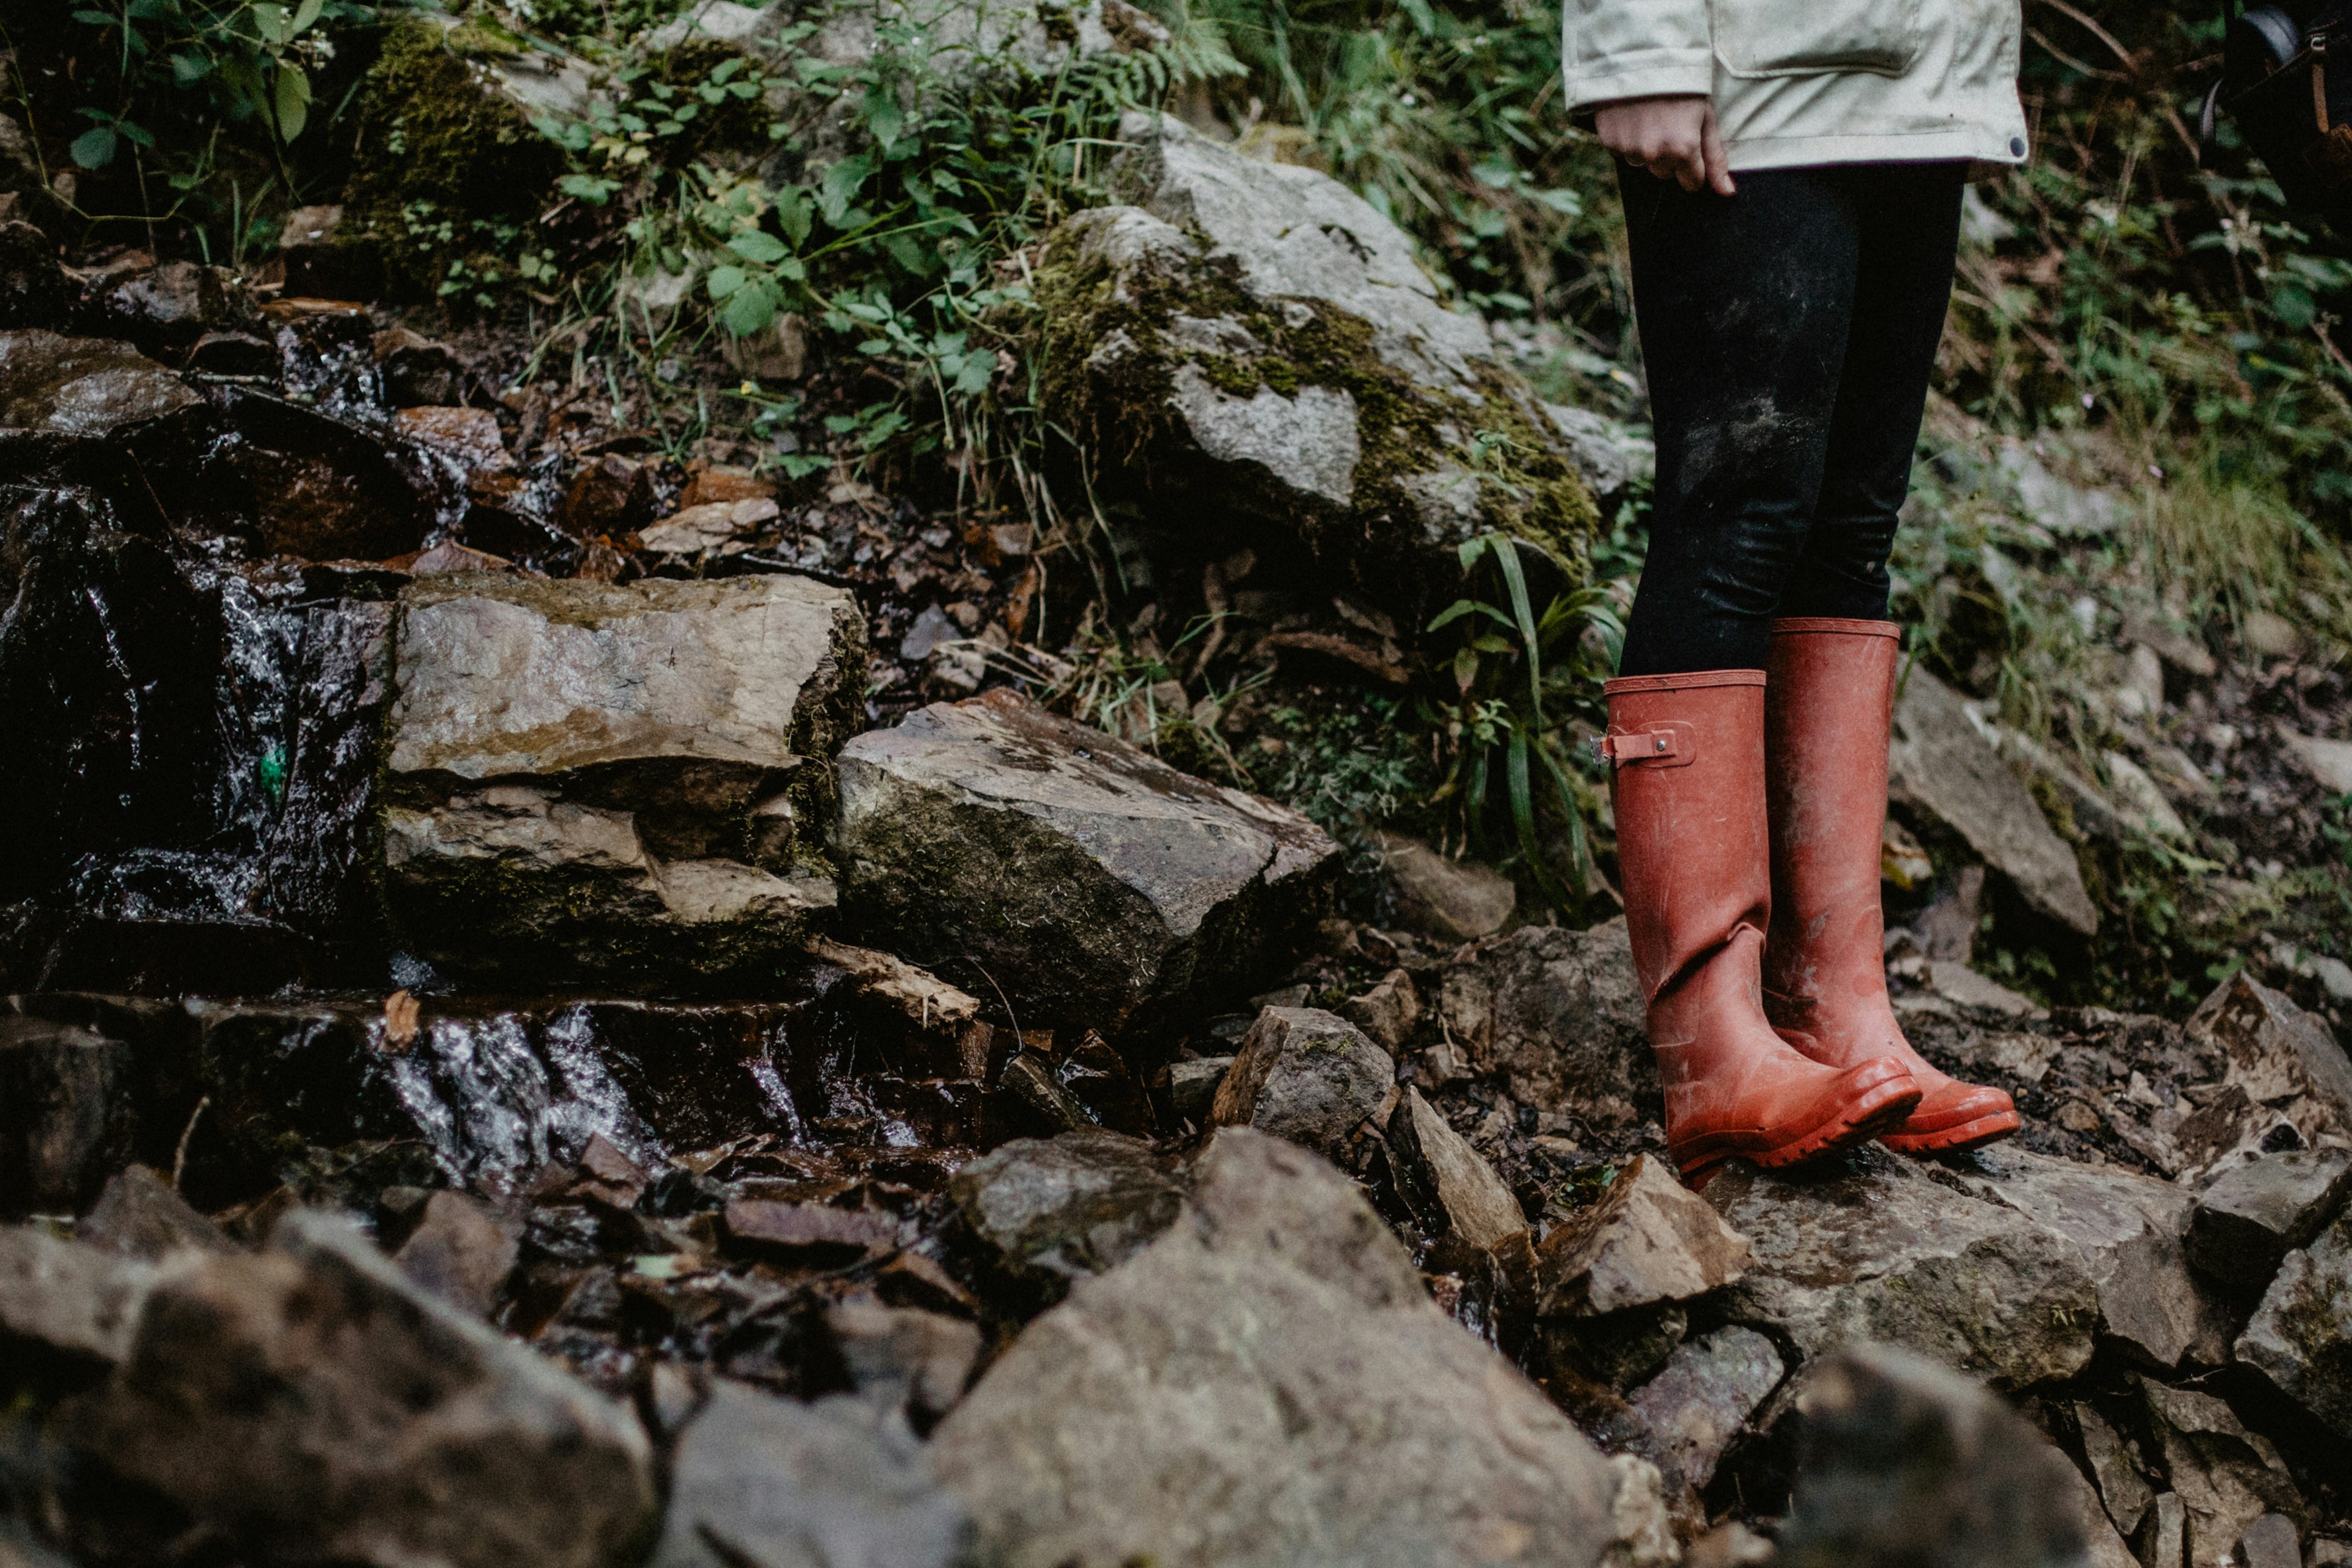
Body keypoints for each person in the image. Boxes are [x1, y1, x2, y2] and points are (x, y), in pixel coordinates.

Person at [1565, 0, 2031, 1178]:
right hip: (1752, 76)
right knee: (1738, 515)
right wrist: (1639, 46)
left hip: (1919, 83)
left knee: (1850, 534)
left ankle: (1838, 1008)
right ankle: (1708, 1041)